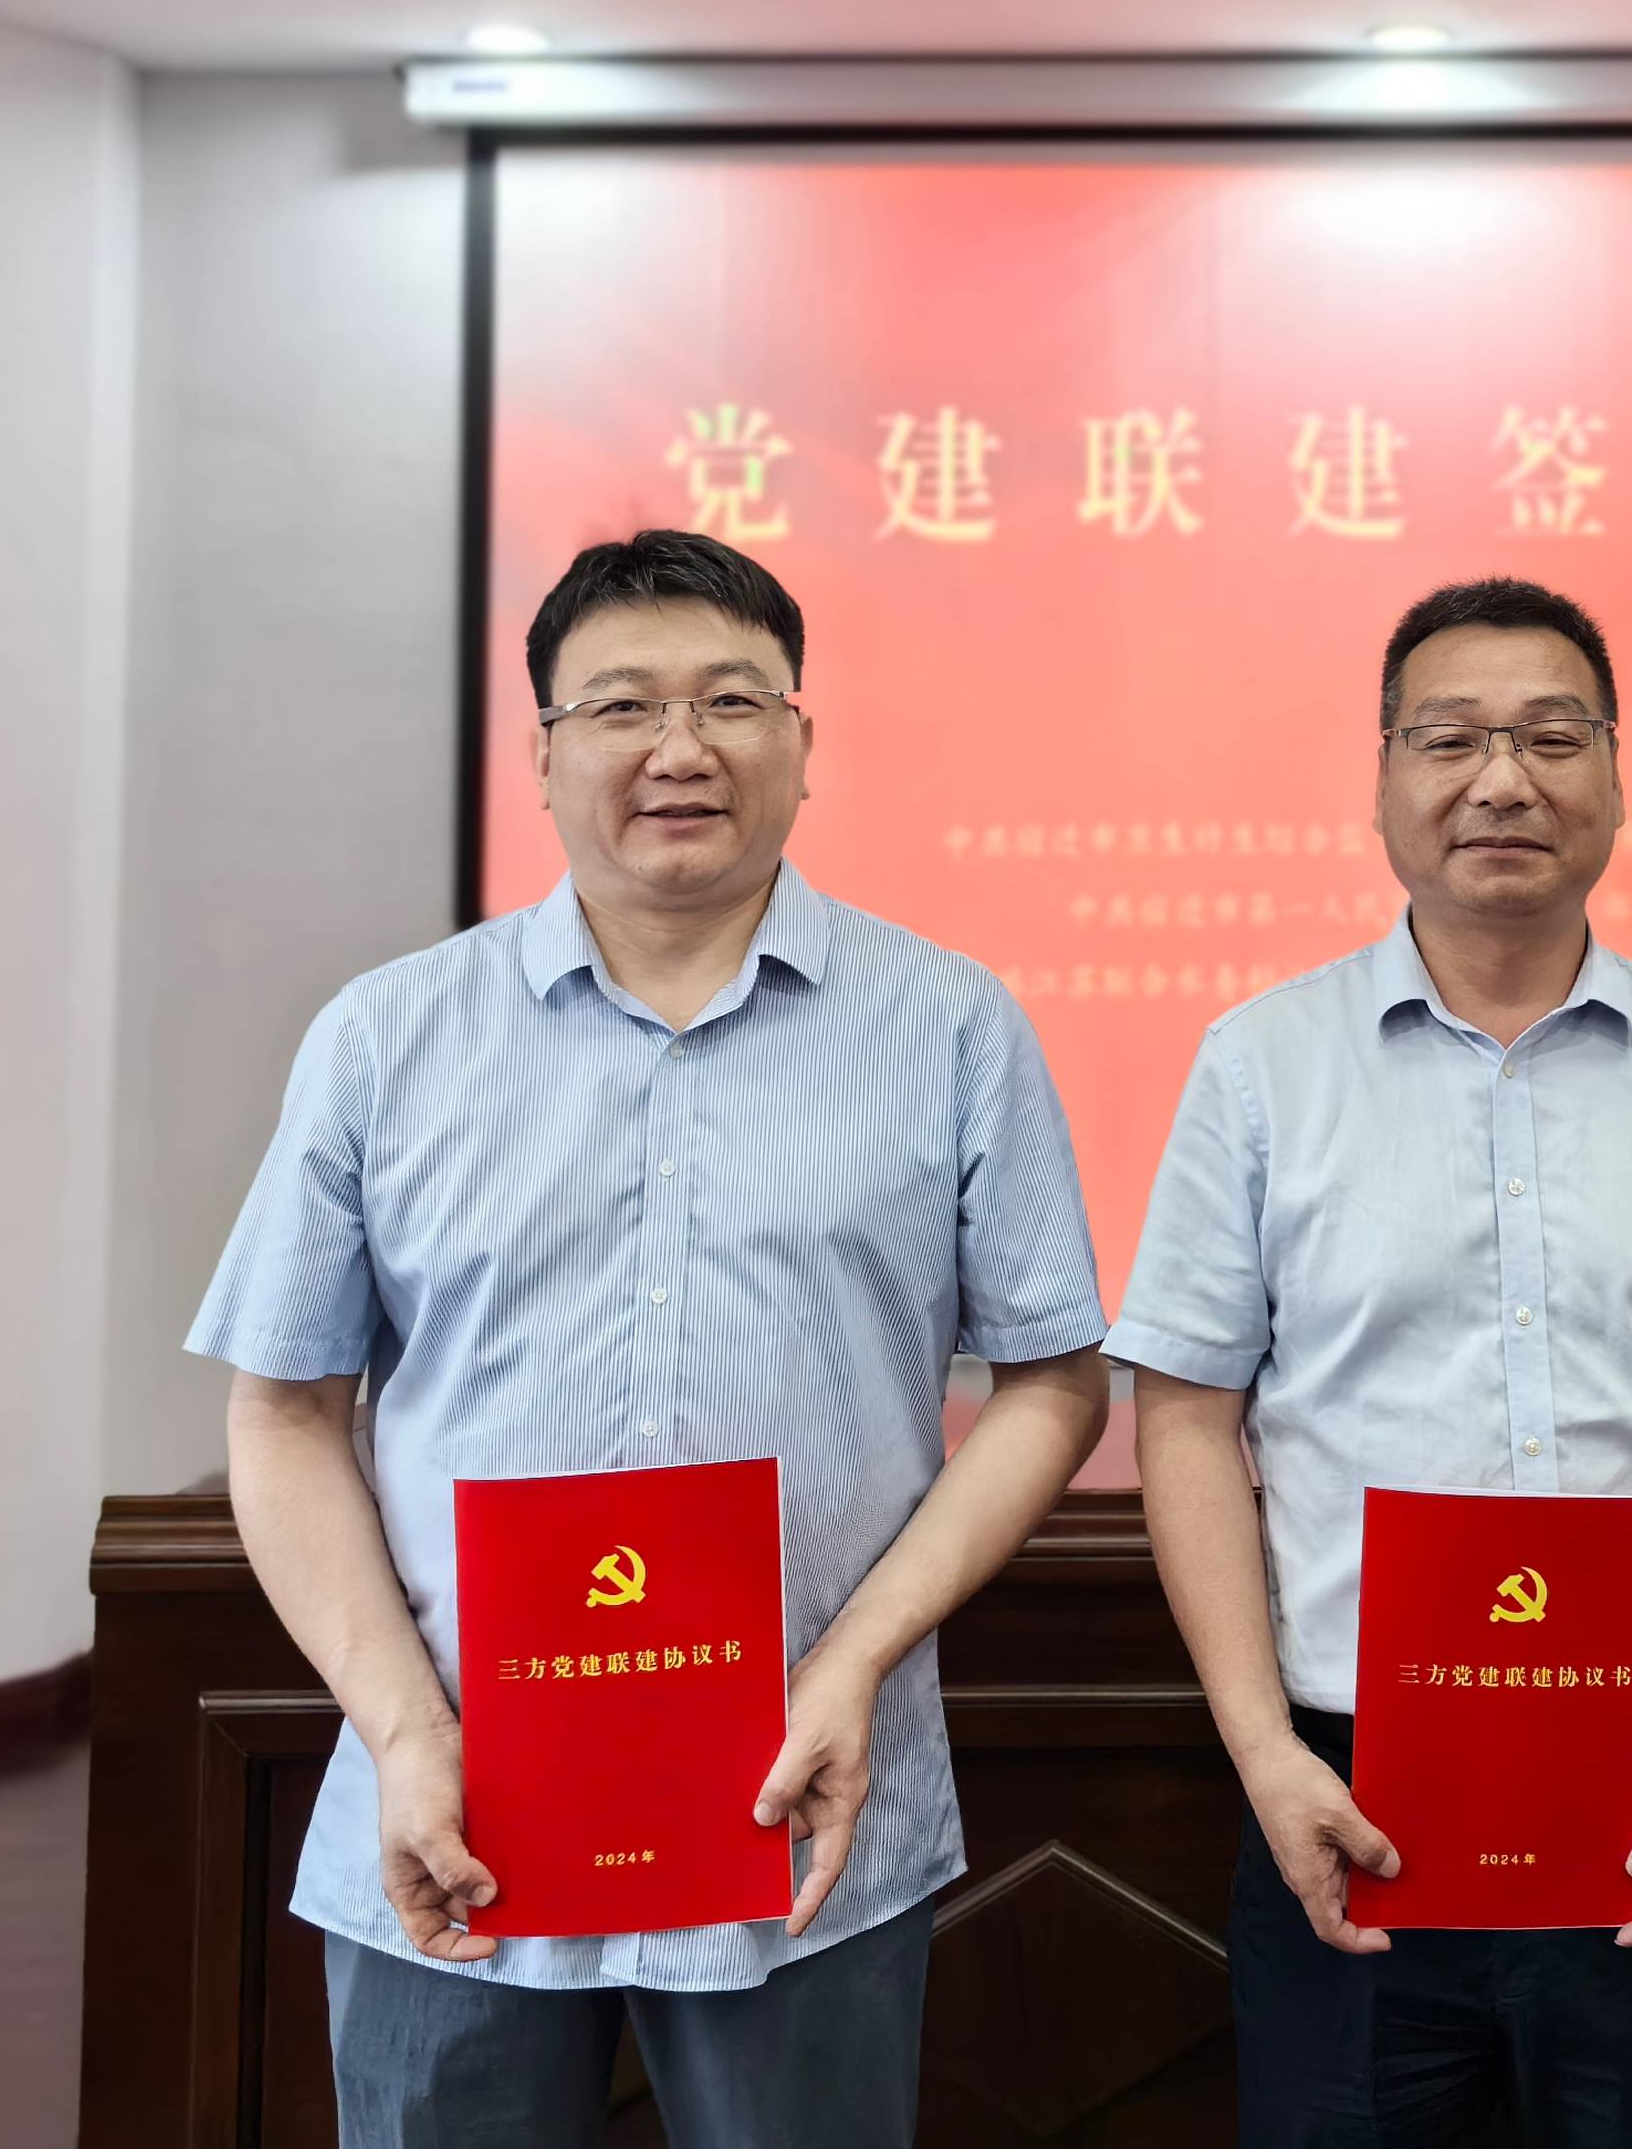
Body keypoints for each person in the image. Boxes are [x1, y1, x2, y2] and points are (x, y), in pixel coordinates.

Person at [188, 528, 1109, 2147]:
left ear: (804, 743)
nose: (680, 749)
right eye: (622, 707)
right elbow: (283, 1411)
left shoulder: (952, 1027)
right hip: (456, 1806)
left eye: (731, 702)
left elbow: (1054, 1383)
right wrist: (406, 1729)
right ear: (543, 755)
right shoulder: (387, 1038)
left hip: (804, 1805)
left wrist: (854, 1664)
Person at [1108, 577, 1632, 2147]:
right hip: (1345, 1786)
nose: (1503, 780)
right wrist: (1263, 1753)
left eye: (1552, 737)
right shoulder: (1263, 1065)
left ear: (1617, 777)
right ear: (1384, 779)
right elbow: (1185, 1418)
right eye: (1450, 738)